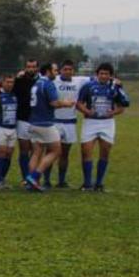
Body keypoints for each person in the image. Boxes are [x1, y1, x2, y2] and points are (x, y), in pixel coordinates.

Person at [76, 63, 129, 192]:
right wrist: (87, 111)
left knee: (105, 153)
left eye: (106, 74)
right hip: (90, 122)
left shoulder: (115, 88)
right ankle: (87, 183)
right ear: (97, 74)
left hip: (107, 123)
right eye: (101, 73)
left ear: (111, 75)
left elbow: (123, 107)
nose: (104, 76)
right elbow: (78, 103)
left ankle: (99, 183)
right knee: (86, 152)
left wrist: (113, 112)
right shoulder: (88, 86)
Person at [24, 63, 76, 191]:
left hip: (33, 122)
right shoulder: (48, 84)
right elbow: (54, 103)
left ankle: (31, 181)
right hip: (45, 123)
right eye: (55, 70)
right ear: (48, 71)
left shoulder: (36, 83)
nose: (57, 73)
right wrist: (66, 103)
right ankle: (35, 176)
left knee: (36, 152)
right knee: (56, 151)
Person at [46, 60, 90, 188]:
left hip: (70, 122)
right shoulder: (53, 80)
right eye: (65, 69)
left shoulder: (79, 81)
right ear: (60, 70)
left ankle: (61, 181)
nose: (68, 71)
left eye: (70, 69)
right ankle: (47, 180)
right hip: (54, 122)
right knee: (50, 152)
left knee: (65, 153)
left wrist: (115, 81)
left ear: (73, 71)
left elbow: (96, 77)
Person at [0, 74, 18, 189]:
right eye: (7, 82)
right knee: (1, 153)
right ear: (2, 83)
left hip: (12, 127)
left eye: (12, 82)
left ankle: (3, 179)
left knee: (9, 154)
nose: (10, 84)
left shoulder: (15, 94)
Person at [13, 59, 39, 180]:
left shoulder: (41, 81)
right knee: (24, 150)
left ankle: (34, 176)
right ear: (25, 68)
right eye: (28, 66)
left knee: (36, 150)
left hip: (37, 120)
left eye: (33, 67)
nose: (31, 69)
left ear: (37, 68)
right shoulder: (18, 81)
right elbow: (3, 84)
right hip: (22, 119)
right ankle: (25, 177)